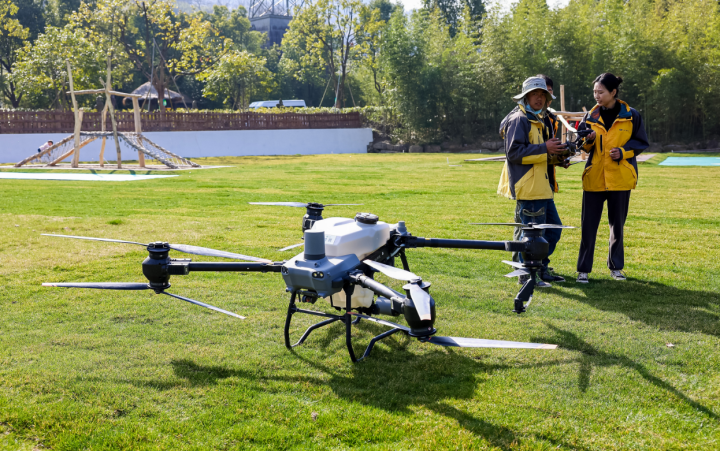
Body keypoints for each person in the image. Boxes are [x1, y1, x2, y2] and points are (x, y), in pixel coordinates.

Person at [575, 73, 648, 283]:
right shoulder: (589, 117)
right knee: (588, 227)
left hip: (620, 179)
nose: (596, 96)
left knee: (617, 226)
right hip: (594, 179)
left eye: (601, 92)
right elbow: (582, 145)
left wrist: (623, 152)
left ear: (613, 92)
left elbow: (641, 142)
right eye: (594, 92)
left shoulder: (632, 115)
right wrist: (587, 140)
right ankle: (583, 270)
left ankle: (616, 268)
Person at [497, 76, 569, 287]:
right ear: (526, 96)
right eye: (535, 94)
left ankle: (540, 269)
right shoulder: (519, 119)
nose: (540, 98)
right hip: (529, 189)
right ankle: (527, 276)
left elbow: (541, 153)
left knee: (553, 231)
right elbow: (514, 153)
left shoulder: (539, 119)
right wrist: (545, 149)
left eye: (543, 95)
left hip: (543, 188)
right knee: (531, 238)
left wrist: (557, 158)